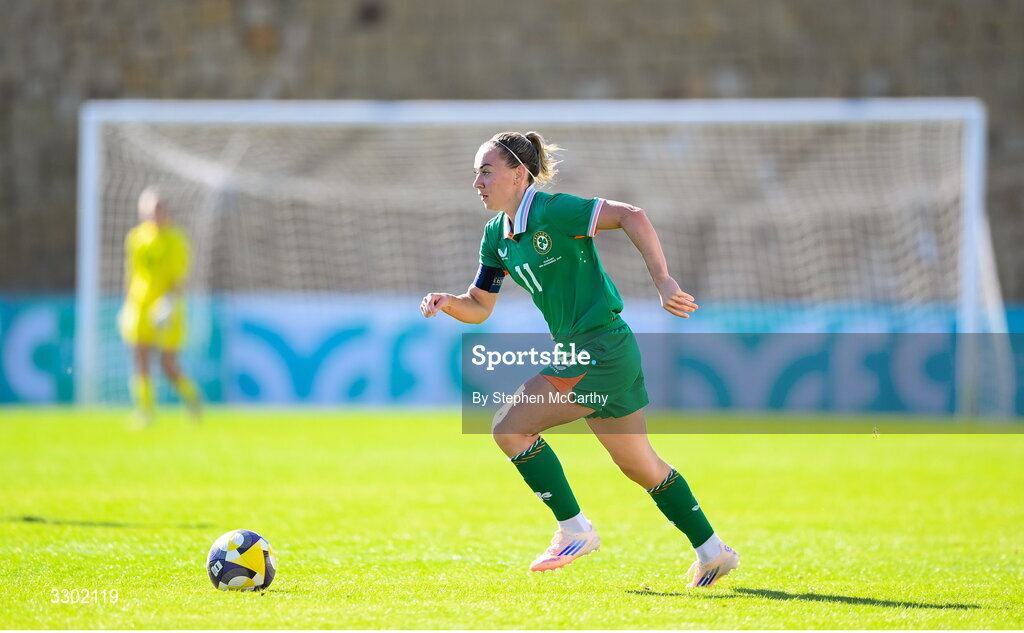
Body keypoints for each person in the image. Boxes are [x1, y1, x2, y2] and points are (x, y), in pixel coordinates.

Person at [420, 132, 739, 587]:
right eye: (475, 173)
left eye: (486, 171)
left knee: (509, 427)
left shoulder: (554, 210)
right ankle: (713, 552)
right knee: (640, 465)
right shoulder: (496, 236)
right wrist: (447, 302)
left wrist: (664, 281)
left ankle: (575, 529)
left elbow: (632, 215)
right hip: (595, 351)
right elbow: (479, 305)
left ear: (519, 174)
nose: (477, 182)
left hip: (601, 347)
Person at [119, 186, 201, 425]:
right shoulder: (135, 238)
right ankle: (145, 411)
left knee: (168, 365)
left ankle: (193, 399)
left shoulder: (176, 239)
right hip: (140, 305)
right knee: (140, 357)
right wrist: (127, 304)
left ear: (165, 211)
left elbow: (180, 277)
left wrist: (167, 303)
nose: (154, 215)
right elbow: (131, 274)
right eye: (149, 210)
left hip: (168, 306)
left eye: (157, 209)